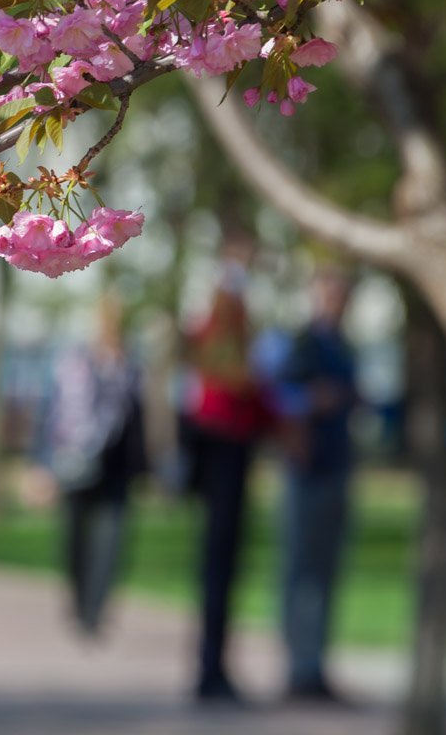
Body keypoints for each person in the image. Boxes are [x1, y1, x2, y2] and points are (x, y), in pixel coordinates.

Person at [184, 251, 271, 704]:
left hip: (222, 466)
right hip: (226, 466)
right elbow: (249, 406)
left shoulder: (215, 346)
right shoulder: (225, 353)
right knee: (220, 569)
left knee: (218, 569)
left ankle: (213, 664)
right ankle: (210, 668)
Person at [41, 295, 147, 636]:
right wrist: (42, 464)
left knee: (111, 541)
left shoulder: (131, 365)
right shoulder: (75, 361)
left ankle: (95, 612)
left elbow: (138, 418)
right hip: (76, 461)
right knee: (75, 537)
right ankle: (79, 601)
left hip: (116, 465)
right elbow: (52, 412)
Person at [275, 268, 357, 702]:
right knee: (300, 569)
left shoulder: (344, 346)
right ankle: (298, 666)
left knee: (326, 571)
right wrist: (314, 400)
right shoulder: (302, 344)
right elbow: (280, 396)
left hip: (336, 466)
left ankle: (315, 663)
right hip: (306, 471)